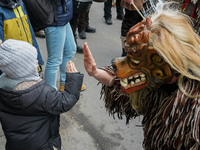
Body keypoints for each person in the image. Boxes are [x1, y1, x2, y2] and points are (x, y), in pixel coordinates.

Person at [83, 7, 200, 149]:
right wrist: (96, 72)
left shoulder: (194, 109)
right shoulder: (158, 82)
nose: (117, 64)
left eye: (135, 60)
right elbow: (123, 89)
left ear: (165, 63)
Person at [0, 39, 83, 150]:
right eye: (34, 61)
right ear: (24, 69)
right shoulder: (43, 94)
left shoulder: (3, 89)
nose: (37, 62)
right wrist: (73, 78)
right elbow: (65, 101)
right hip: (40, 145)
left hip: (14, 145)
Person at [44, 0, 86, 91]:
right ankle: (50, 94)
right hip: (54, 17)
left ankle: (64, 83)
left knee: (70, 49)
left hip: (62, 15)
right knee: (54, 59)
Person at [0, 0, 44, 75]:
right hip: (13, 69)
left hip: (30, 62)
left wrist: (38, 59)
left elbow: (31, 34)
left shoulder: (20, 3)